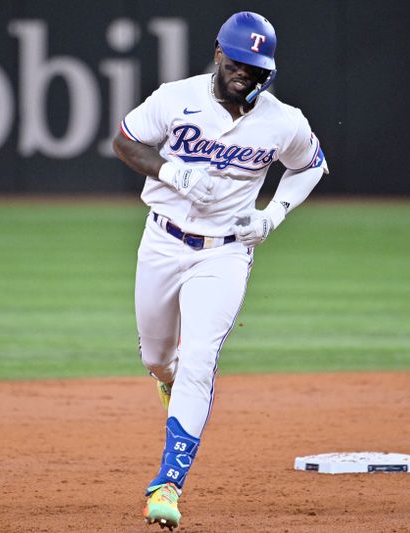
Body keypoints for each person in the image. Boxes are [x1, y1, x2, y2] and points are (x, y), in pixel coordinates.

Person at [113, 10, 328, 530]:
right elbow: (124, 141)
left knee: (199, 359)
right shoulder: (174, 97)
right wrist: (172, 171)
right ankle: (169, 381)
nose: (246, 75)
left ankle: (167, 484)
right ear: (218, 54)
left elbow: (312, 165)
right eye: (238, 63)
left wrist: (272, 215)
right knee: (157, 357)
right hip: (163, 241)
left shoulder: (283, 121)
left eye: (257, 68)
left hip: (226, 252)